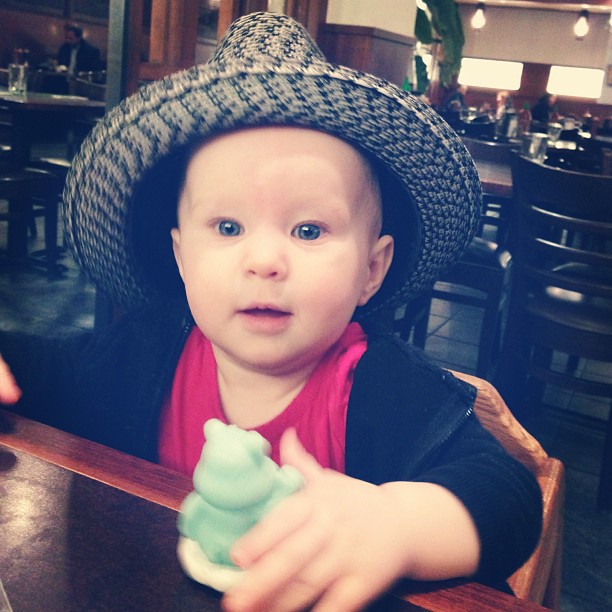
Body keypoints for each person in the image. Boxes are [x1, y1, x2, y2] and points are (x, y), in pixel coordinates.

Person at [0, 12, 542, 612]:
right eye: (227, 226)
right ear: (181, 256)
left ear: (372, 269)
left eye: (309, 229)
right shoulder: (142, 350)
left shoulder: (384, 389)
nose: (264, 260)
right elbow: (36, 374)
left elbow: (511, 496)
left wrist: (398, 523)